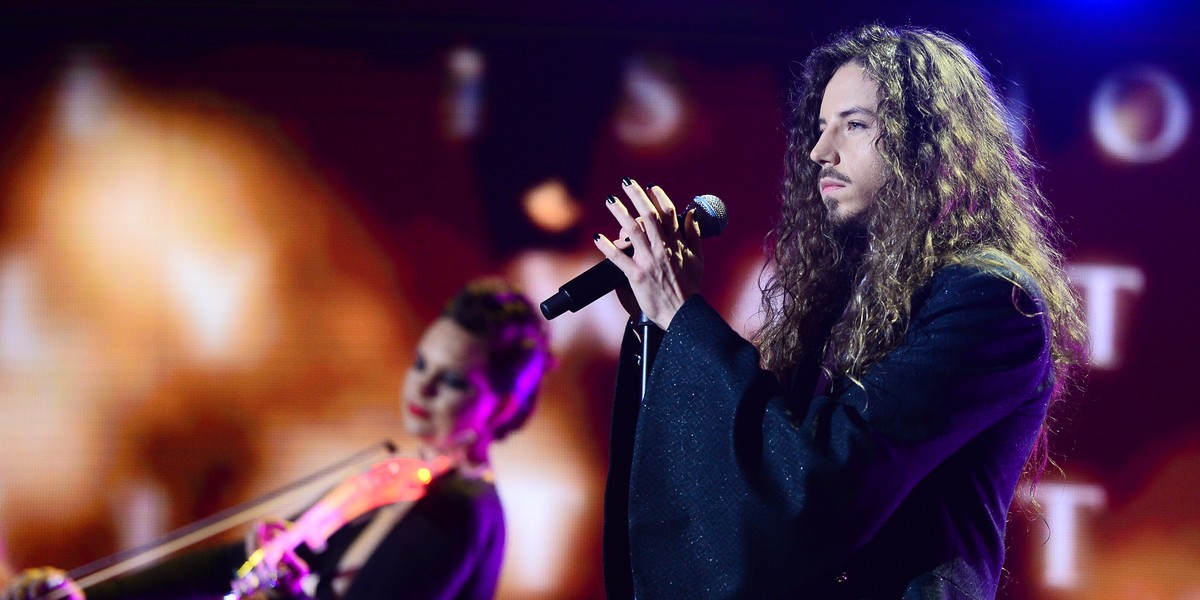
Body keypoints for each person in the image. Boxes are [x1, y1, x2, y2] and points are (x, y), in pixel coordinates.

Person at [593, 24, 1087, 599]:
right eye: (821, 126)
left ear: (928, 142)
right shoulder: (845, 298)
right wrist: (661, 321)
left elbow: (827, 480)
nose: (819, 151)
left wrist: (684, 315)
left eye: (854, 125)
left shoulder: (989, 298)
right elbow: (758, 463)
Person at [3, 278, 552, 600]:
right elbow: (239, 562)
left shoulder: (463, 509)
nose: (421, 387)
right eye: (421, 363)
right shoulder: (395, 478)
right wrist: (81, 594)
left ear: (504, 405)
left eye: (453, 380)